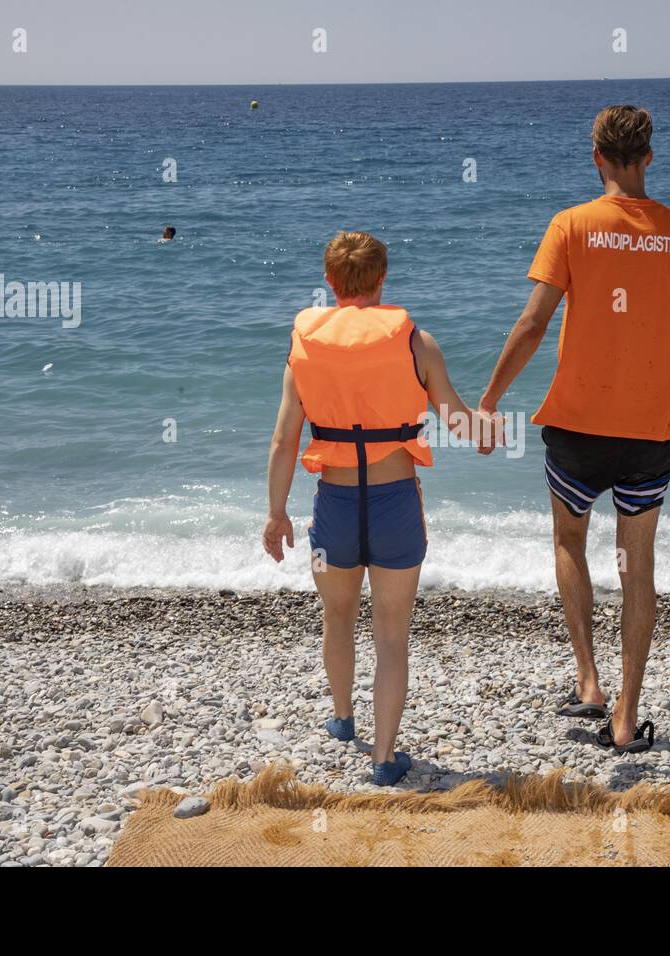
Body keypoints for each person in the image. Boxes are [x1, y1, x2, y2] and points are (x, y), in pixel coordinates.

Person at [479, 105, 670, 754]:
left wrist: (489, 400)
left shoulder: (573, 225)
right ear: (648, 158)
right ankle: (624, 718)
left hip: (577, 431)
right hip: (649, 434)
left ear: (597, 160)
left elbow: (531, 326)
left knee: (570, 542)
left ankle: (589, 681)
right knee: (638, 569)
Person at [263, 230, 494, 785]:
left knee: (336, 616)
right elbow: (463, 425)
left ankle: (343, 719)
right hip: (395, 505)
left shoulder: (304, 350)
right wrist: (490, 426)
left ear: (330, 282)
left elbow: (283, 442)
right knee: (392, 634)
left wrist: (276, 514)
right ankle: (384, 759)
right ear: (383, 279)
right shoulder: (417, 343)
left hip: (333, 507)